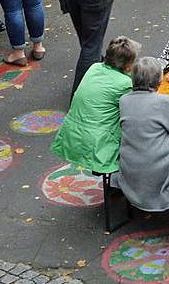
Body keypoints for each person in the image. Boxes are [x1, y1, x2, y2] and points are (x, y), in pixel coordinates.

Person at [51, 35, 139, 178]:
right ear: (128, 66)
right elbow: (135, 109)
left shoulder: (95, 67)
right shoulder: (124, 84)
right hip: (97, 143)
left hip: (72, 134)